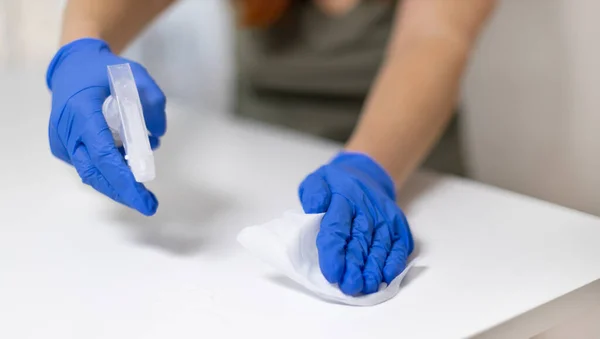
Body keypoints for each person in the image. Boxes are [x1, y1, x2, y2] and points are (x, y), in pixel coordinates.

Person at [46, 0, 496, 296]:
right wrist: (80, 46)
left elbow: (436, 36)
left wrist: (369, 167)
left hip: (406, 170)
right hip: (258, 174)